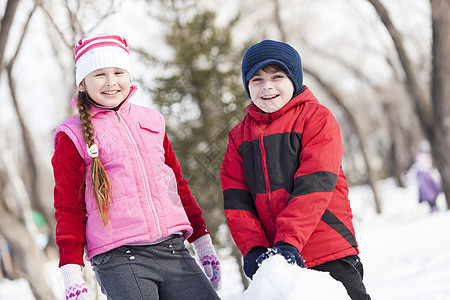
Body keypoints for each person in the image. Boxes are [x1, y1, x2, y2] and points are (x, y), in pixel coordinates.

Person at [52, 34, 221, 300]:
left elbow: (177, 185)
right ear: (82, 83)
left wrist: (203, 243)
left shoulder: (151, 121)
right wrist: (72, 274)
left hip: (174, 251)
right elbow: (69, 208)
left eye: (118, 72)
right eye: (99, 74)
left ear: (129, 76)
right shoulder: (71, 135)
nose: (111, 82)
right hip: (120, 259)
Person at [220, 39, 370, 300]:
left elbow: (315, 185)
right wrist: (253, 247)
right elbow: (236, 199)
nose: (266, 85)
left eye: (277, 76)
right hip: (278, 262)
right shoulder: (239, 137)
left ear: (294, 79)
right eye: (256, 79)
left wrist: (288, 240)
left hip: (327, 249)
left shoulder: (316, 118)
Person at [413, 144, 441, 213]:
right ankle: (433, 207)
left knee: (431, 193)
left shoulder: (424, 157)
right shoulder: (422, 158)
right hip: (425, 177)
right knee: (429, 194)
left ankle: (434, 206)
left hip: (426, 177)